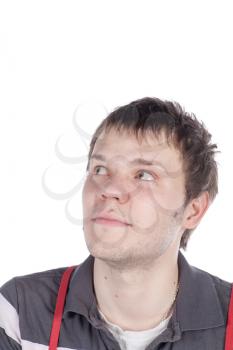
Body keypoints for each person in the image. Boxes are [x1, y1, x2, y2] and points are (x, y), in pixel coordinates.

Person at [0, 97, 232, 350]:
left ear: (193, 210)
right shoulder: (19, 313)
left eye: (144, 174)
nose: (109, 190)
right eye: (99, 169)